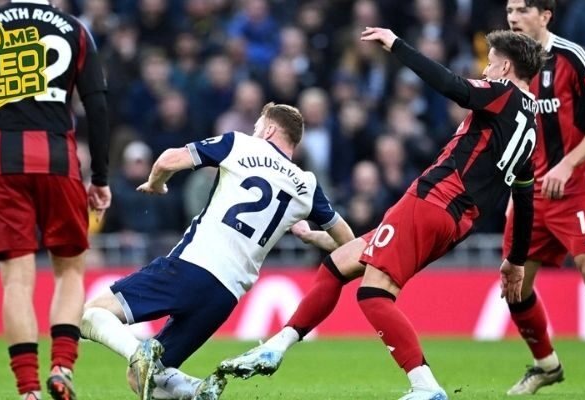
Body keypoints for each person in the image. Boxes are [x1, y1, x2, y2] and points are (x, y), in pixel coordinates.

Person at [219, 27, 546, 400]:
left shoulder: (501, 94)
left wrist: (396, 45)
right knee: (339, 262)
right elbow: (524, 200)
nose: (485, 71)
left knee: (374, 293)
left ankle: (426, 387)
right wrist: (516, 259)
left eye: (489, 64)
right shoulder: (532, 130)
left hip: (431, 200)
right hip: (456, 222)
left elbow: (453, 86)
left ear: (505, 67)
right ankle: (276, 346)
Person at [80, 102, 355, 400]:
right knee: (142, 378)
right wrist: (312, 237)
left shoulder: (239, 143)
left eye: (258, 125)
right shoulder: (306, 185)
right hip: (225, 296)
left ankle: (138, 349)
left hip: (192, 266)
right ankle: (198, 391)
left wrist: (155, 183)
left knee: (92, 313)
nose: (255, 130)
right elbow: (348, 244)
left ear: (270, 129)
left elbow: (168, 160)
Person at [0, 1, 112, 399]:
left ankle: (28, 390)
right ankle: (62, 366)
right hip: (60, 164)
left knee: (17, 281)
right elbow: (97, 106)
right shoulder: (74, 29)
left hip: (4, 166)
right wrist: (101, 178)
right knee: (70, 271)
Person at [504, 1, 585, 397]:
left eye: (522, 9)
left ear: (545, 15)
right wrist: (516, 190)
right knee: (514, 285)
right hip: (532, 195)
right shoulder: (508, 64)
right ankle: (547, 365)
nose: (512, 17)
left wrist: (566, 164)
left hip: (576, 188)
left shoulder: (572, 56)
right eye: (508, 9)